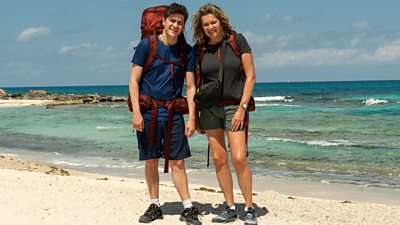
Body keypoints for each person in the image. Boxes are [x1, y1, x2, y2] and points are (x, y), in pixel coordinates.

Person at [129, 3, 201, 225]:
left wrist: (192, 117)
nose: (176, 25)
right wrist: (137, 113)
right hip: (149, 113)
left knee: (178, 162)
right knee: (151, 161)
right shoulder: (146, 45)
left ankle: (187, 207)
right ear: (164, 21)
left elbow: (190, 87)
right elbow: (134, 80)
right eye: (173, 20)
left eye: (180, 22)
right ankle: (154, 205)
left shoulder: (186, 51)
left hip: (173, 115)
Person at [192, 3, 257, 225]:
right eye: (206, 25)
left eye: (213, 22)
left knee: (239, 158)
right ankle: (229, 206)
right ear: (201, 28)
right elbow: (193, 82)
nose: (210, 27)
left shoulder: (237, 41)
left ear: (221, 21)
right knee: (220, 159)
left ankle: (249, 208)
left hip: (234, 106)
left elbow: (250, 77)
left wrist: (242, 107)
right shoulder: (199, 48)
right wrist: (195, 114)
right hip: (209, 109)